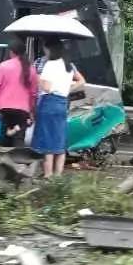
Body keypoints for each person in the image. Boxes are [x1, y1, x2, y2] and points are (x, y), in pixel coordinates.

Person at [32, 37, 85, 179]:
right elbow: (82, 81)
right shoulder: (68, 65)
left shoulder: (50, 65)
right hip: (62, 103)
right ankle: (58, 175)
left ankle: (48, 174)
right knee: (59, 140)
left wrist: (38, 80)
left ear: (50, 50)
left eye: (45, 49)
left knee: (48, 140)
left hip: (49, 103)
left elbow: (47, 88)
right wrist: (68, 87)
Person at [0, 35, 38, 146]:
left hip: (4, 109)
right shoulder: (31, 69)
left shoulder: (3, 66)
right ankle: (18, 161)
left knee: (3, 138)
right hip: (23, 111)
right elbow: (33, 93)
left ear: (11, 51)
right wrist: (31, 110)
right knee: (18, 139)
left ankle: (3, 161)